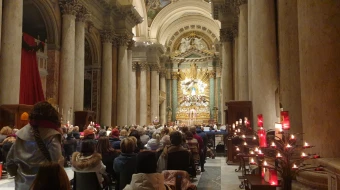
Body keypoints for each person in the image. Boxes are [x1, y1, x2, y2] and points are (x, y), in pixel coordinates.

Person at [6, 101, 63, 190]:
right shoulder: (52, 135)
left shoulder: (21, 133)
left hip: (22, 185)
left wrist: (18, 175)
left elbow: (10, 162)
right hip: (43, 185)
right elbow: (57, 163)